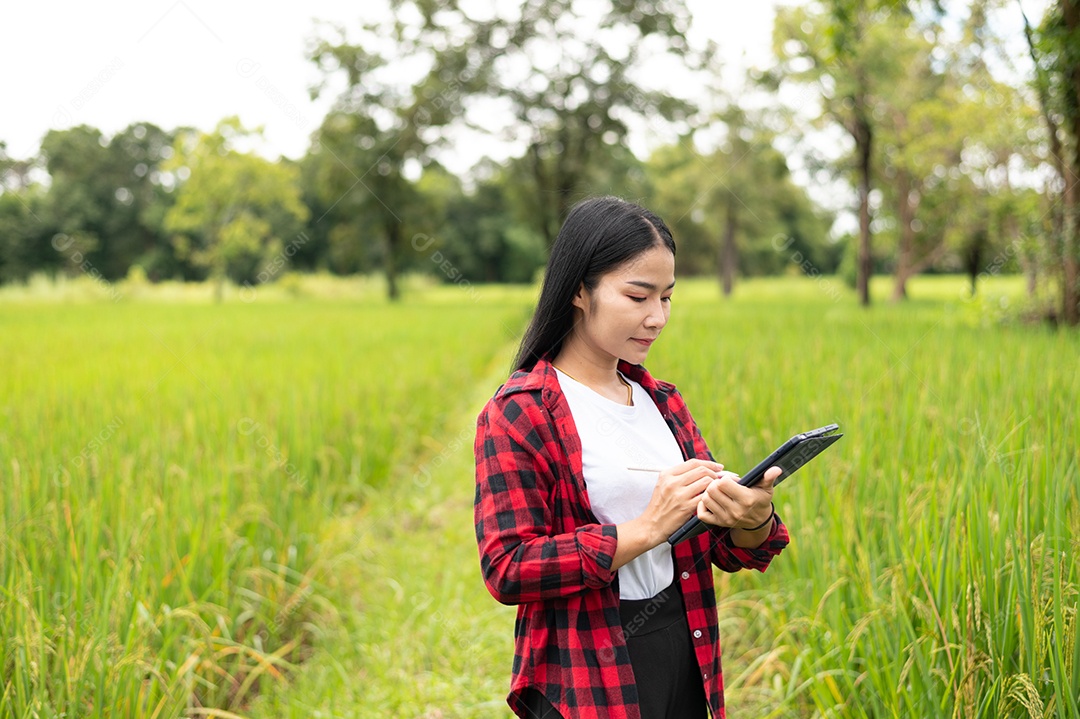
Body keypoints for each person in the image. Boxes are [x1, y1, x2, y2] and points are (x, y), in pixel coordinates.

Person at [473, 196, 789, 719]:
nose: (657, 317)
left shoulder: (663, 402)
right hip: (585, 667)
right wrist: (643, 530)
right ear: (579, 289)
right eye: (638, 296)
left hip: (686, 646)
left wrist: (752, 519)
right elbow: (508, 567)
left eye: (667, 298)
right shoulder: (523, 412)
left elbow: (729, 551)